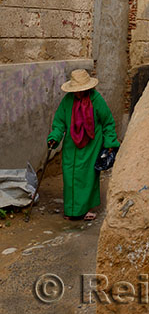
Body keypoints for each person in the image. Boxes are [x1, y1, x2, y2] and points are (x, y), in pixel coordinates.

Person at [47, 68, 120, 220]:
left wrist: (110, 143)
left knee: (88, 176)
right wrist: (55, 136)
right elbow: (60, 123)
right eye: (76, 90)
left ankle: (85, 209)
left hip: (92, 144)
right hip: (71, 145)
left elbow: (107, 122)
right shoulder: (67, 101)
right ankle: (71, 210)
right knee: (70, 176)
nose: (78, 93)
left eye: (82, 90)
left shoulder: (96, 99)